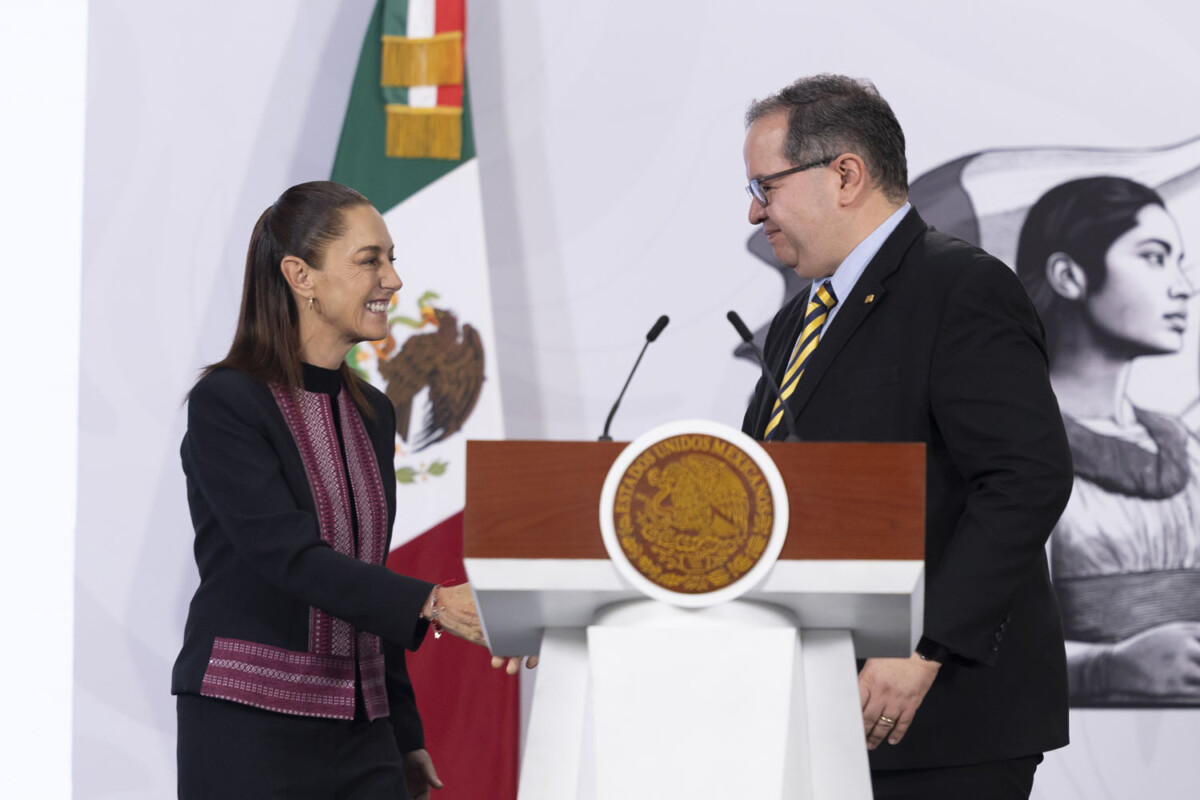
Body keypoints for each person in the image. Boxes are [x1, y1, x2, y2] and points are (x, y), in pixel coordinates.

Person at [740, 75, 1073, 799]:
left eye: (767, 185)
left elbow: (1026, 478)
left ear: (846, 174)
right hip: (817, 711)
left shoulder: (961, 288)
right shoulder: (802, 320)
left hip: (939, 721)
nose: (754, 210)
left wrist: (927, 649)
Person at [173, 181, 533, 800]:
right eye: (370, 260)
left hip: (364, 736)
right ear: (300, 275)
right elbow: (288, 557)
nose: (392, 280)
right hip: (250, 729)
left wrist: (404, 734)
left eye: (392, 259)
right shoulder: (226, 403)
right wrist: (436, 603)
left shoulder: (372, 410)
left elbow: (362, 575)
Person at [1015, 176, 1200, 706]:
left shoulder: (1183, 444)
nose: (1183, 287)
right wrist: (1107, 668)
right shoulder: (1011, 443)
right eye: (1154, 257)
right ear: (1069, 276)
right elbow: (978, 642)